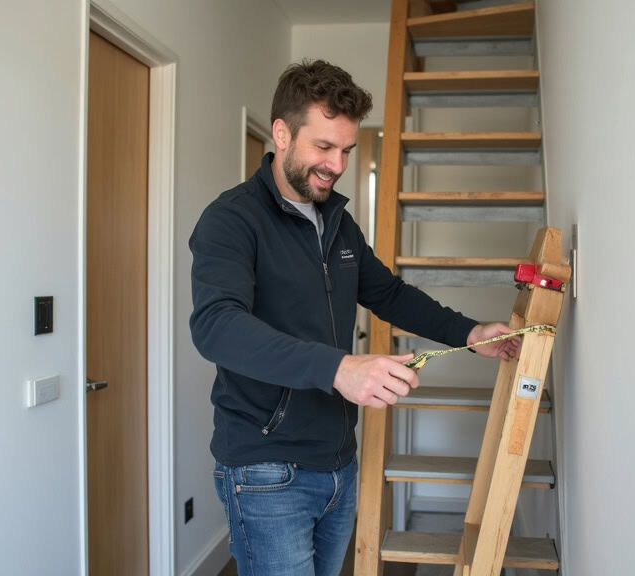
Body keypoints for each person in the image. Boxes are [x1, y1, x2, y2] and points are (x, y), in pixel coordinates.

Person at [189, 59, 518, 576]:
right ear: (282, 133)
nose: (337, 164)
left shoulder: (338, 224)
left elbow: (388, 293)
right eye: (324, 147)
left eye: (346, 150)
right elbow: (217, 326)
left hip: (339, 460)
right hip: (265, 468)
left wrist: (470, 332)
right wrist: (339, 368)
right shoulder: (231, 220)